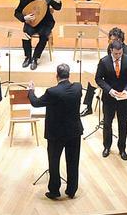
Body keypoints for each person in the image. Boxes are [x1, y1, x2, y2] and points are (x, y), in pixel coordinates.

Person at [28, 63, 83, 200]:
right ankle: (71, 190)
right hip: (74, 132)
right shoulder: (78, 87)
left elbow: (36, 102)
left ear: (56, 75)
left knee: (54, 161)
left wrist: (31, 90)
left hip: (56, 134)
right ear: (69, 75)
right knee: (73, 161)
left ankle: (54, 190)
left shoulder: (52, 92)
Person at [94, 40, 127, 160]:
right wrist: (109, 90)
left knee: (123, 124)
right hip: (109, 98)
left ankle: (122, 148)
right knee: (107, 123)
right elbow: (98, 79)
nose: (118, 56)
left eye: (120, 53)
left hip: (123, 97)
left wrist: (126, 90)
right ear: (111, 51)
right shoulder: (104, 61)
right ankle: (107, 146)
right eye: (116, 53)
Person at [15, 0, 62, 70]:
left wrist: (58, 1)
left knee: (44, 36)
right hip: (31, 22)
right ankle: (28, 57)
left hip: (45, 22)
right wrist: (24, 18)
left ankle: (35, 58)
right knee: (26, 34)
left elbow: (57, 7)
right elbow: (17, 13)